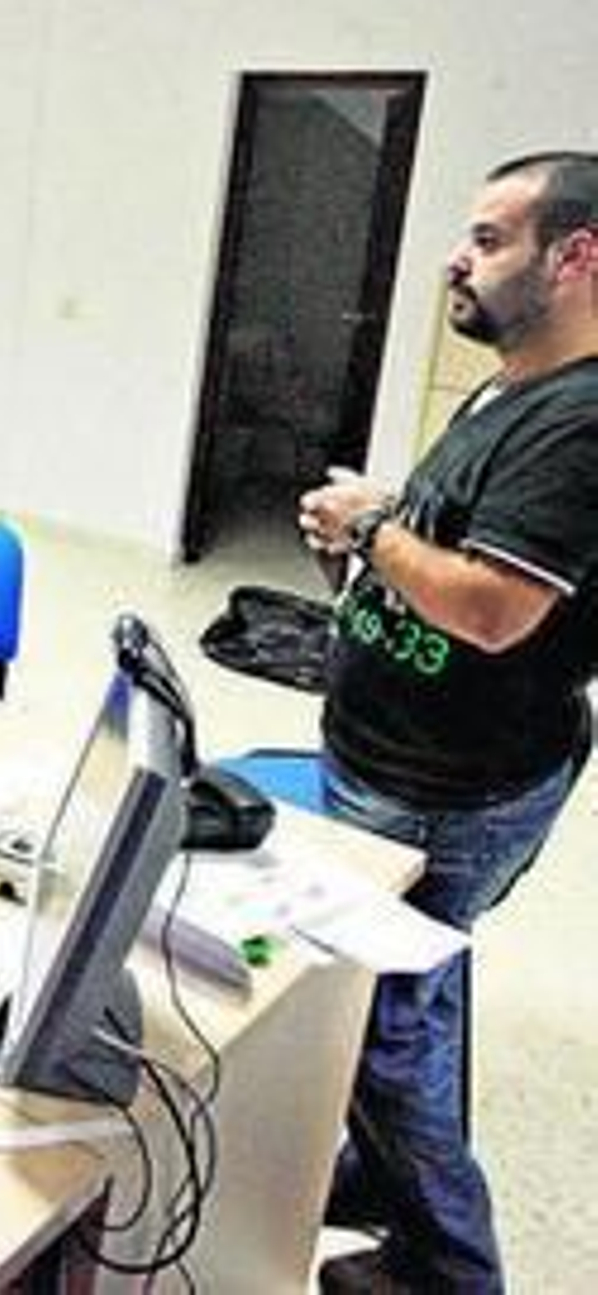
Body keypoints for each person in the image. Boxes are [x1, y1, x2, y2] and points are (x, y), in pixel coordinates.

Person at [298, 151, 598, 1294]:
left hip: (442, 786)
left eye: (487, 239)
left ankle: (447, 1267)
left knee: (386, 1033)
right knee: (419, 991)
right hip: (401, 757)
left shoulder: (579, 423)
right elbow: (458, 537)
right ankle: (381, 1173)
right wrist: (374, 529)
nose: (454, 261)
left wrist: (370, 530)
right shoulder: (507, 383)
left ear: (573, 257)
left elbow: (488, 608)